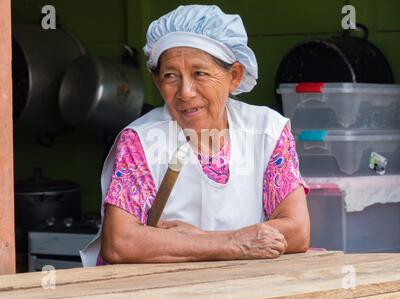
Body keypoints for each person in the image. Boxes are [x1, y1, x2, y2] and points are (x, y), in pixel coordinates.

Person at [80, 4, 310, 267]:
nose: (185, 92)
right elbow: (121, 244)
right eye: (170, 76)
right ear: (157, 81)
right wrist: (232, 243)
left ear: (234, 76)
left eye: (199, 73)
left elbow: (297, 231)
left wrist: (203, 239)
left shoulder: (267, 130)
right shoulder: (141, 140)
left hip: (243, 288)